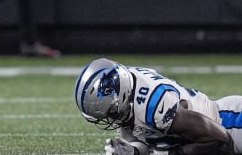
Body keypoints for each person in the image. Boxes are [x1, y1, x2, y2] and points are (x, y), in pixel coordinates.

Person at [74, 58, 242, 155]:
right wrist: (133, 152)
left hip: (232, 122)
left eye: (111, 112)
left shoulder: (154, 106)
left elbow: (219, 137)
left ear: (121, 96)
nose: (111, 118)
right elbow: (145, 142)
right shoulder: (128, 94)